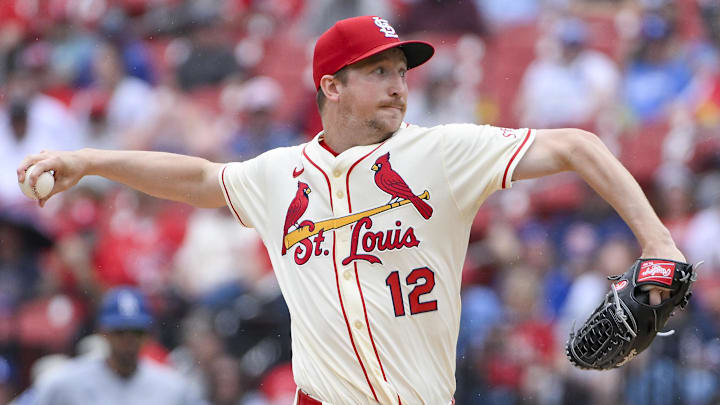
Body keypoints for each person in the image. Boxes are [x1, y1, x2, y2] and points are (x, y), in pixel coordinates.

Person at [18, 15, 687, 405]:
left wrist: (660, 242)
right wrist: (89, 161)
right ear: (331, 86)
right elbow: (198, 176)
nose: (399, 85)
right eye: (380, 72)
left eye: (402, 71)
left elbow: (577, 144)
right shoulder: (281, 174)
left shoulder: (442, 153)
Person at [27, 287, 203, 405]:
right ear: (103, 332)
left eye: (136, 332)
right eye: (120, 332)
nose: (128, 340)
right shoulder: (65, 382)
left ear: (148, 334)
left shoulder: (172, 386)